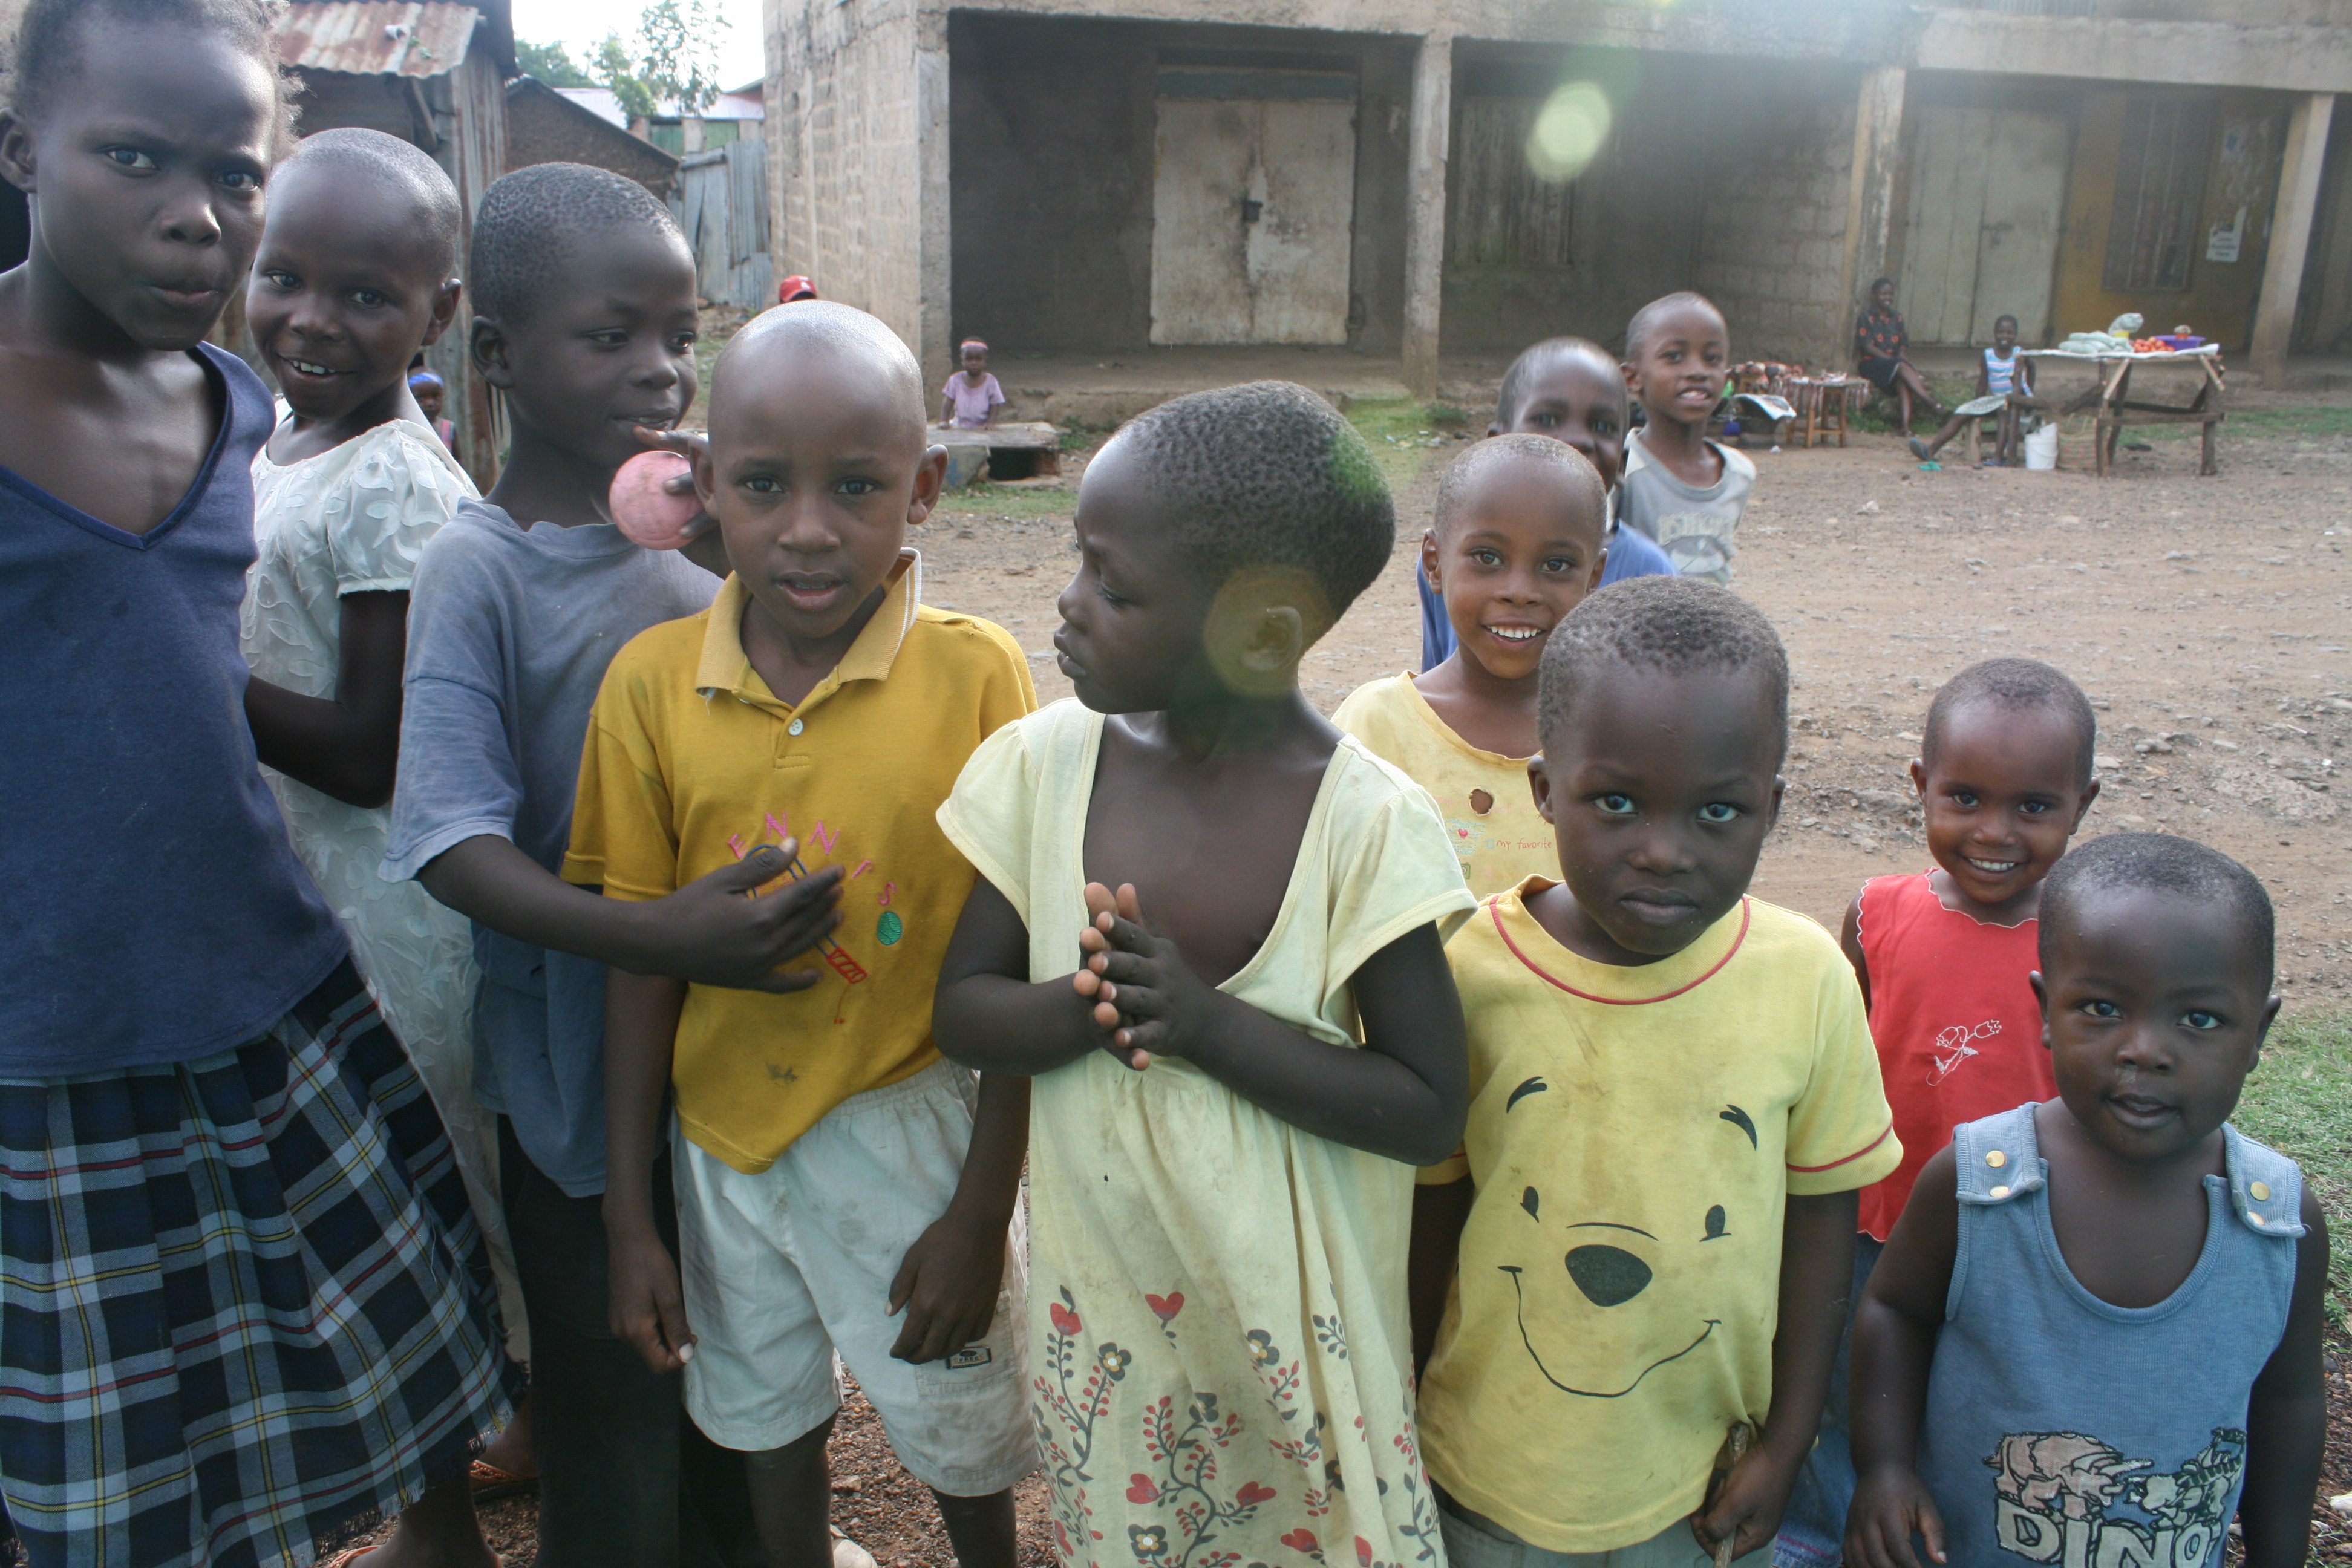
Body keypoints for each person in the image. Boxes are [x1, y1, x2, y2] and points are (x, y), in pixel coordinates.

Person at [0, 3, 514, 1564]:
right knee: (114, 1470)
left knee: (374, 1367)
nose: (195, 215)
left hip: (273, 999)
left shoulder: (232, 415)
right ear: (24, 152)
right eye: (133, 157)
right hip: (53, 1047)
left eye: (232, 174)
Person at [931, 382, 1477, 1565]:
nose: (1068, 606)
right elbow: (962, 1014)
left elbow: (1428, 1108)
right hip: (1119, 1337)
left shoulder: (1366, 827)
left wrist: (1207, 1025)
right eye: (1080, 562)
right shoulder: (1037, 773)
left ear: (1264, 636)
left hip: (1299, 1351)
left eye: (1115, 588)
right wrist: (1085, 1006)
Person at [382, 163, 823, 1568]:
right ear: (497, 358)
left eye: (677, 337)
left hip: (723, 1061)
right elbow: (446, 840)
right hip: (576, 1085)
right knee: (611, 1388)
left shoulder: (704, 551)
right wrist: (656, 939)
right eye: (609, 335)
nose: (659, 372)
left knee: (728, 1369)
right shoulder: (484, 573)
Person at [579, 302, 1039, 1568]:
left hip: (913, 1121)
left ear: (926, 487)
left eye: (858, 486)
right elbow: (637, 954)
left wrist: (980, 1207)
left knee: (958, 1425)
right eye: (766, 485)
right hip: (722, 1138)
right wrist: (633, 1217)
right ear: (704, 483)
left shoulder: (978, 674)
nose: (809, 529)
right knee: (764, 1417)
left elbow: (1026, 946)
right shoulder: (650, 686)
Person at [1410, 576, 1902, 1567]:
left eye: (1716, 811)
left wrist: (1788, 1440)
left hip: (1700, 1487)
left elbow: (1820, 1232)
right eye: (1616, 802)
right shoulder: (1468, 972)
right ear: (1545, 789)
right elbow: (1427, 1220)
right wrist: (1397, 1406)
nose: (1661, 852)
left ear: (1772, 808)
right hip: (1481, 1474)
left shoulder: (1804, 977)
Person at [237, 123, 538, 1491]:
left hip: (402, 909)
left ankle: (518, 1406)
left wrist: (179, 666)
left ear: (441, 313)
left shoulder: (397, 486)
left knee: (447, 1168)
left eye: (365, 295)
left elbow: (371, 745)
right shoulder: (284, 443)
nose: (314, 319)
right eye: (287, 277)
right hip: (316, 890)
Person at [1845, 834, 2327, 1568]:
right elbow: (1893, 1312)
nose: (2144, 1050)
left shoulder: (2278, 1224)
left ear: (2257, 1033)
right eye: (2100, 1008)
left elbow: (2289, 1400)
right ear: (2045, 1011)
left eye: (2197, 1020)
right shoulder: (1979, 1186)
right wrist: (1884, 1469)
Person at [1772, 658, 2101, 1568]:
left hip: (2022, 1243)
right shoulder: (1878, 913)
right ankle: (1821, 1540)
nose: (1994, 832)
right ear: (1921, 787)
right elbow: (1839, 1059)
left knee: (1982, 1407)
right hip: (1874, 1224)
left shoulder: (2089, 943)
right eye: (1964, 798)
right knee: (1843, 1392)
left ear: (2083, 803)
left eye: (2034, 807)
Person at [1338, 436, 1610, 900]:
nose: (1520, 591)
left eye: (1556, 564)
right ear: (1434, 562)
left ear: (1593, 579)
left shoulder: (1616, 731)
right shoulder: (1378, 728)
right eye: (1488, 558)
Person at [1417, 336, 1673, 669]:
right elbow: (1433, 675)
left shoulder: (1649, 572)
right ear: (1497, 443)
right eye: (1548, 419)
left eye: (1602, 426)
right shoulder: (1454, 556)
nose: (1578, 439)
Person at [1619, 294, 1756, 587]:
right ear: (1633, 378)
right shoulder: (1622, 468)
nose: (1698, 371)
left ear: (1727, 377)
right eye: (1675, 357)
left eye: (1712, 359)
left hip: (1711, 630)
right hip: (1636, 630)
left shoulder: (1738, 473)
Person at [1908, 314, 2033, 466]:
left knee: (2003, 410)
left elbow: (2032, 368)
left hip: (2016, 401)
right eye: (2001, 332)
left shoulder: (2020, 354)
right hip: (1997, 400)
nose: (2005, 336)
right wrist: (1977, 404)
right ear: (1994, 333)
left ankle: (1998, 457)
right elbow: (1982, 383)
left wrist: (2028, 392)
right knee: (1962, 412)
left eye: (2010, 333)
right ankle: (1930, 451)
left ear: (2016, 334)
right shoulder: (1987, 355)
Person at [1854, 278, 1946, 440]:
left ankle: (1905, 427)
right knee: (1900, 366)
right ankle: (1929, 402)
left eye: (1890, 294)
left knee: (1903, 380)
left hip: (1894, 365)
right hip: (1872, 364)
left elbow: (1903, 343)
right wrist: (1892, 361)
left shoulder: (1897, 317)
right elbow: (1867, 346)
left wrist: (1900, 357)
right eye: (1883, 294)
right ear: (1875, 296)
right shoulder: (1866, 317)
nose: (1887, 297)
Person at [940, 336, 1005, 430]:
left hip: (983, 427)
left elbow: (995, 404)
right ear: (962, 360)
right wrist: (944, 421)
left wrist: (990, 423)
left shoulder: (990, 381)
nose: (973, 363)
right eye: (969, 359)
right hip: (959, 425)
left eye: (978, 359)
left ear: (985, 360)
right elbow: (948, 401)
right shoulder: (955, 380)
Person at [409, 368, 459, 451]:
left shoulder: (448, 428)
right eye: (421, 398)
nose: (430, 403)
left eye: (435, 396)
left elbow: (458, 461)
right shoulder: (408, 429)